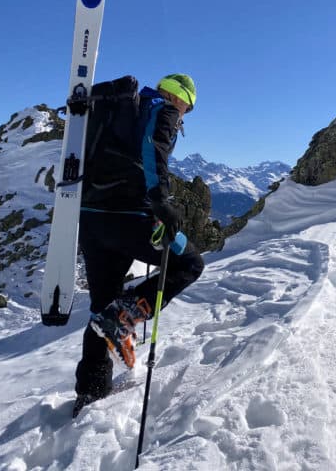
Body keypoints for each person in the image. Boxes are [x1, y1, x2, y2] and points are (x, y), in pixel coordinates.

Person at [73, 73, 204, 417]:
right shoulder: (163, 109)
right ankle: (124, 316)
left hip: (90, 219)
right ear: (182, 100)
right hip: (131, 217)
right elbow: (154, 145)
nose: (183, 116)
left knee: (102, 305)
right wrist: (160, 199)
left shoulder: (118, 111)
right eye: (186, 109)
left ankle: (90, 392)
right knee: (190, 264)